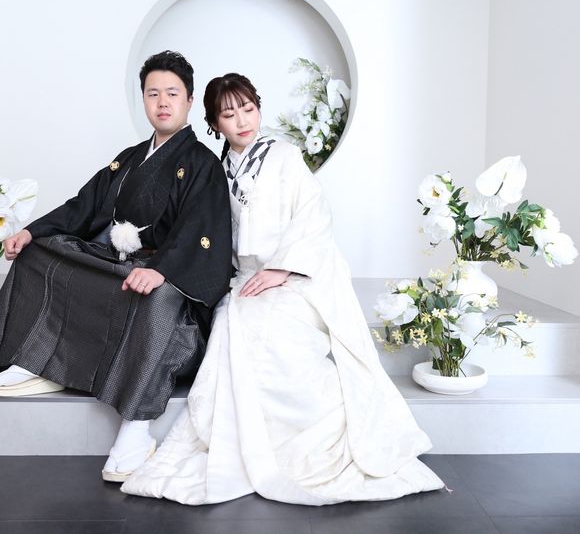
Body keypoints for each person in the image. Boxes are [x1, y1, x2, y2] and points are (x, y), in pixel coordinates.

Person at [121, 73, 444, 505]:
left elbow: (314, 214)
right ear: (214, 123)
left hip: (296, 275)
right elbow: (207, 231)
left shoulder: (284, 156)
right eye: (229, 115)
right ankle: (260, 445)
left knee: (279, 340)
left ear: (259, 109)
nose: (242, 121)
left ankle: (311, 440)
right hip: (245, 279)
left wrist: (282, 269)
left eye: (248, 109)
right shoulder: (216, 170)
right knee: (238, 327)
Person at [0, 51, 232, 482]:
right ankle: (37, 358)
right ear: (143, 100)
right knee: (39, 252)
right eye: (153, 94)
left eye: (172, 93)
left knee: (158, 297)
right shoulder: (129, 158)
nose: (162, 102)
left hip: (166, 284)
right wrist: (31, 231)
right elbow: (83, 206)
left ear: (189, 100)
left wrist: (162, 269)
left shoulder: (203, 164)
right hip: (121, 268)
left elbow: (203, 232)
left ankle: (136, 427)